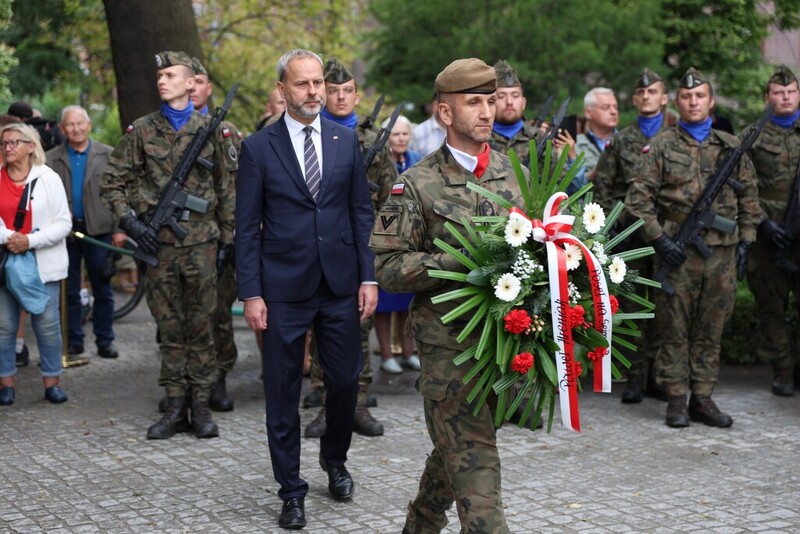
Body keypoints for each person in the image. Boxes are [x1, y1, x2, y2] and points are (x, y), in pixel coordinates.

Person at [370, 57, 522, 533]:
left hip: (502, 348)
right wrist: (456, 263)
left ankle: (420, 523)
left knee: (458, 449)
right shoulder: (415, 185)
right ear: (444, 113)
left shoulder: (510, 173)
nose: (487, 111)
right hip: (449, 354)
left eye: (491, 101)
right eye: (473, 102)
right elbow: (388, 268)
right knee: (480, 480)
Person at [235, 48, 377, 530]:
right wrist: (252, 292)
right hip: (282, 289)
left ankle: (334, 460)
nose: (314, 91)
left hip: (339, 284)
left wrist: (368, 276)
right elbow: (246, 226)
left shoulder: (345, 140)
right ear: (282, 90)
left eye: (318, 82)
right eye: (303, 84)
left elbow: (361, 212)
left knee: (343, 381)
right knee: (282, 390)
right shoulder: (257, 148)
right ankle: (291, 490)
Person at [101, 51, 236, 440]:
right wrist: (129, 221)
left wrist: (228, 242)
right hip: (157, 245)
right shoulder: (141, 131)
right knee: (169, 327)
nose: (161, 80)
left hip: (202, 245)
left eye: (170, 74)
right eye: (159, 74)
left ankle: (201, 405)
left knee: (203, 326)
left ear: (191, 82)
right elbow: (112, 182)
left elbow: (227, 191)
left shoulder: (214, 131)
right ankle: (175, 404)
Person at [625, 67, 761, 428]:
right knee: (673, 328)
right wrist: (659, 238)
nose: (693, 101)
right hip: (678, 252)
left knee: (711, 327)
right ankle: (675, 398)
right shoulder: (662, 145)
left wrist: (747, 241)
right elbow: (637, 200)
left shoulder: (731, 147)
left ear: (711, 102)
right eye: (687, 97)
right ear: (677, 102)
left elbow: (750, 200)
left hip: (722, 253)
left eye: (700, 95)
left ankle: (702, 396)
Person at [303, 58, 393, 439]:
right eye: (333, 90)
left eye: (347, 90)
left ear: (357, 95)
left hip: (361, 244)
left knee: (360, 323)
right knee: (323, 326)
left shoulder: (374, 142)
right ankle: (327, 405)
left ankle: (357, 402)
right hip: (319, 244)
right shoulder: (309, 133)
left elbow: (391, 196)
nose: (339, 97)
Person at [593, 68, 670, 403]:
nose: (646, 97)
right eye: (640, 93)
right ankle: (637, 376)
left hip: (670, 235)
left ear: (664, 97)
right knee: (634, 304)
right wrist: (615, 226)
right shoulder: (621, 139)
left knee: (668, 306)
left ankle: (661, 375)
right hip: (631, 237)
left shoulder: (677, 135)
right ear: (635, 99)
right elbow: (604, 187)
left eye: (652, 92)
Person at [0, 122, 72, 406]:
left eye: (14, 142)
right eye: (4, 143)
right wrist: (11, 238)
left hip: (42, 262)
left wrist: (30, 241)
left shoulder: (48, 178)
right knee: (4, 326)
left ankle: (52, 382)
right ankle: (6, 383)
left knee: (47, 324)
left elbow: (64, 223)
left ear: (31, 147)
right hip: (4, 262)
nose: (8, 148)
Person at [742, 65, 800, 396]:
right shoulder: (753, 135)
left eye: (791, 91)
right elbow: (740, 185)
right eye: (778, 93)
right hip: (769, 234)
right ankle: (782, 370)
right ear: (767, 98)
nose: (785, 97)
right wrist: (762, 221)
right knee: (772, 306)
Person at [46, 105, 120, 360]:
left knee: (103, 288)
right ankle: (74, 340)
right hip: (64, 233)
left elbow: (120, 194)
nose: (76, 129)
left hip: (99, 230)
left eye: (80, 124)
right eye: (70, 125)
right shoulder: (50, 158)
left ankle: (105, 340)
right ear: (62, 129)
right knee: (68, 289)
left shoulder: (107, 154)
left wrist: (119, 229)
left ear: (88, 126)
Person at [190, 57, 242, 412]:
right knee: (180, 317)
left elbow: (236, 187)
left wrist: (232, 237)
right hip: (175, 241)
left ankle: (219, 377)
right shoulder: (153, 129)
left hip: (218, 239)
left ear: (208, 88)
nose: (192, 87)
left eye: (199, 81)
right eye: (187, 81)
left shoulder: (225, 131)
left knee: (219, 313)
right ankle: (182, 383)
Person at [375, 113, 418, 374]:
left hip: (410, 239)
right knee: (384, 302)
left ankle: (408, 352)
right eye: (395, 134)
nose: (400, 139)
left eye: (404, 134)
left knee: (406, 300)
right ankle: (387, 354)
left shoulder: (416, 161)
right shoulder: (380, 162)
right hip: (385, 237)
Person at [575, 87, 618, 175]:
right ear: (588, 113)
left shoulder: (629, 141)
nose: (614, 112)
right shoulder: (575, 145)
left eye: (615, 107)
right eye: (605, 107)